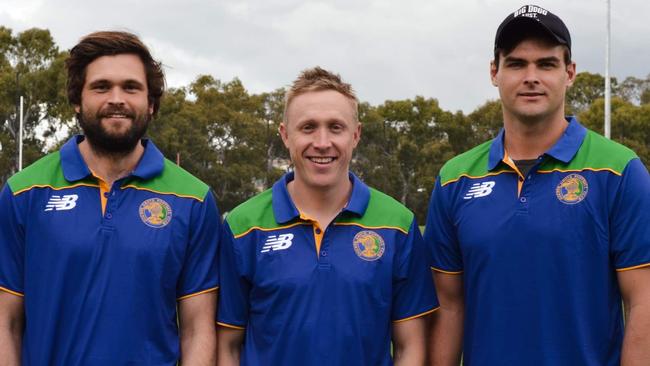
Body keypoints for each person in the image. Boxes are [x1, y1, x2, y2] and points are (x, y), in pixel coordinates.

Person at [425, 5, 650, 365]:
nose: (532, 77)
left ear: (570, 73)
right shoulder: (455, 178)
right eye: (516, 64)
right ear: (494, 72)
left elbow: (643, 302)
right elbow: (449, 306)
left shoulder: (620, 171)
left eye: (546, 64)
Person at [0, 31, 220, 365]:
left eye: (131, 87)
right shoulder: (23, 192)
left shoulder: (193, 199)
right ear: (78, 100)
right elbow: (6, 322)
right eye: (101, 87)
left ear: (151, 103)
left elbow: (197, 329)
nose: (116, 98)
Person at [217, 66, 438, 365]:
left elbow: (410, 346)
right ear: (285, 134)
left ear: (356, 134)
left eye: (336, 127)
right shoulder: (244, 226)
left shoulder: (397, 224)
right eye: (308, 127)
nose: (322, 142)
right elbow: (228, 346)